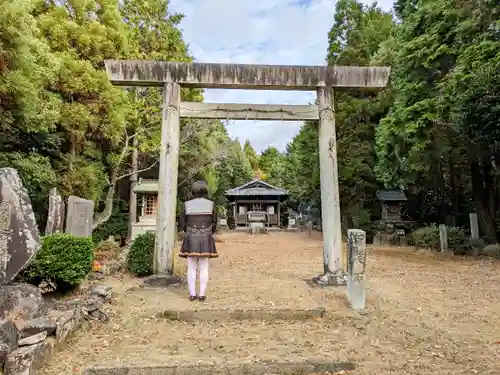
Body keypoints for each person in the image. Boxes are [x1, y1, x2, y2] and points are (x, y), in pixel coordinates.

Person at [178, 181, 218, 301]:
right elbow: (214, 222)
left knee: (191, 267)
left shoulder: (186, 205)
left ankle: (192, 294)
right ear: (205, 190)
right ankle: (201, 294)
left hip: (190, 235)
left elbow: (182, 223)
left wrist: (189, 232)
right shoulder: (211, 204)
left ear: (193, 190)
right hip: (206, 236)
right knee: (204, 267)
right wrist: (208, 232)